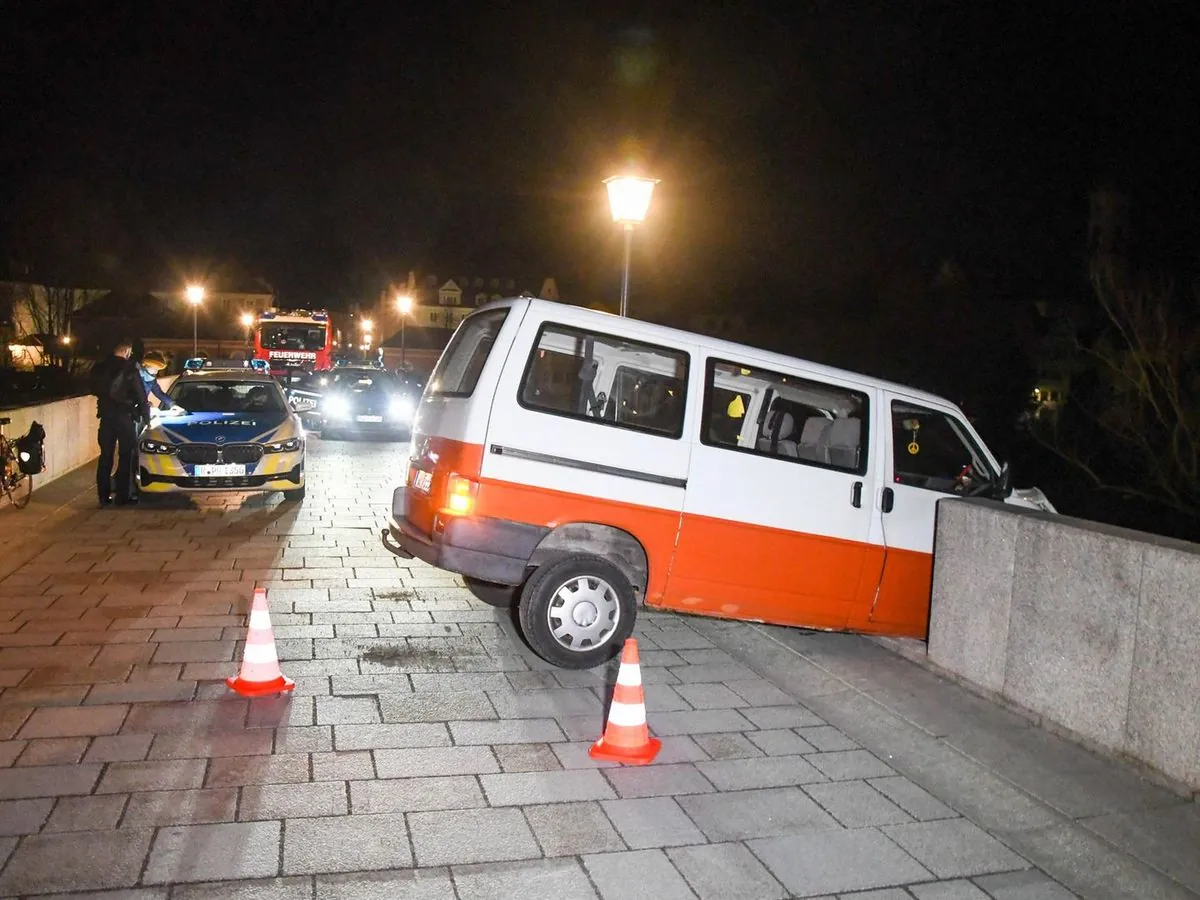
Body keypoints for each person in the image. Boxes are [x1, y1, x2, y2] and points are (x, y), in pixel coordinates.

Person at [89, 337, 149, 507]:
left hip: (106, 418)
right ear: (126, 351)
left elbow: (93, 388)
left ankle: (103, 496)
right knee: (126, 457)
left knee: (105, 457)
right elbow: (141, 395)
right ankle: (123, 496)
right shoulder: (129, 368)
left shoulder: (99, 367)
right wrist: (146, 417)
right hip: (124, 417)